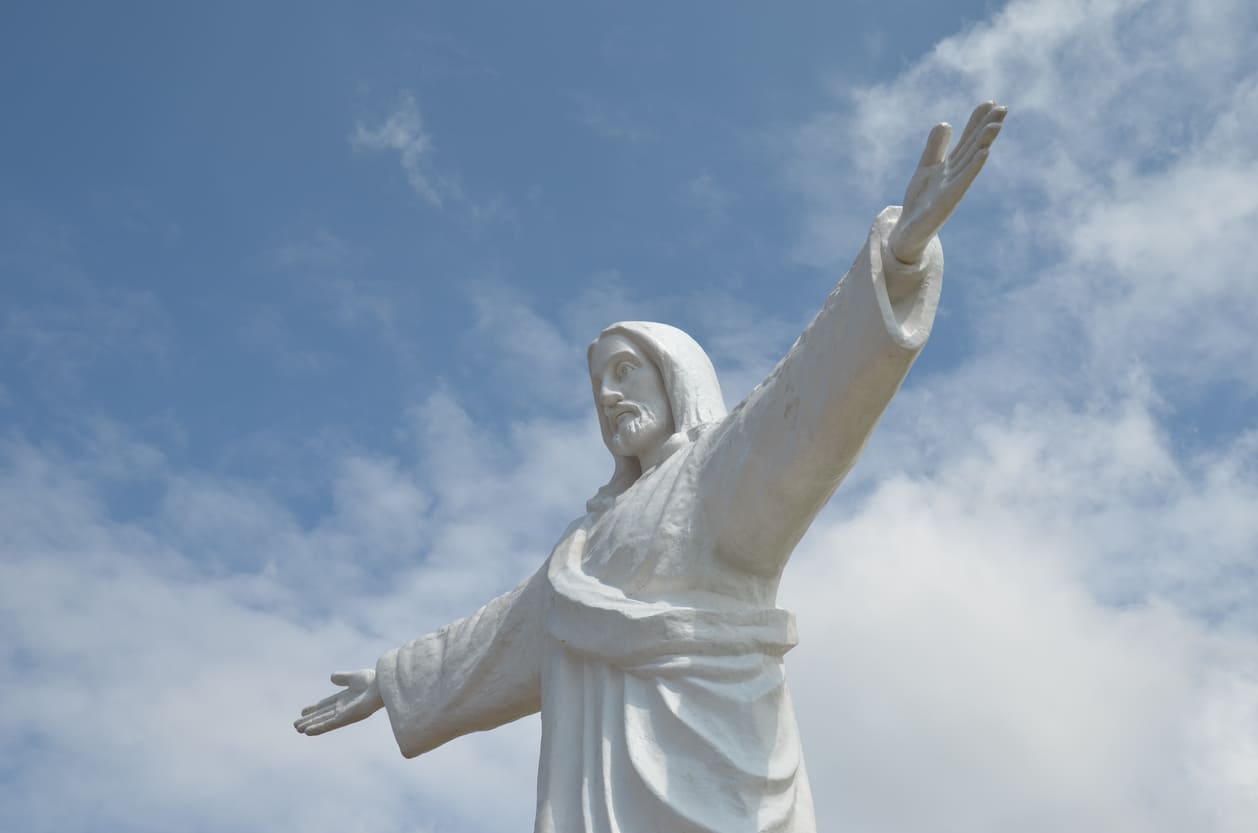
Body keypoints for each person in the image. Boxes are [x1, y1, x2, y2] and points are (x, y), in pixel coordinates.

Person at [295, 102, 1007, 833]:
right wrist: (394, 677)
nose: (608, 396)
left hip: (716, 783)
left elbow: (810, 400)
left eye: (626, 372)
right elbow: (500, 633)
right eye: (600, 384)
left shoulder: (717, 471)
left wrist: (898, 259)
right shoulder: (582, 549)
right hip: (593, 800)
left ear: (675, 378)